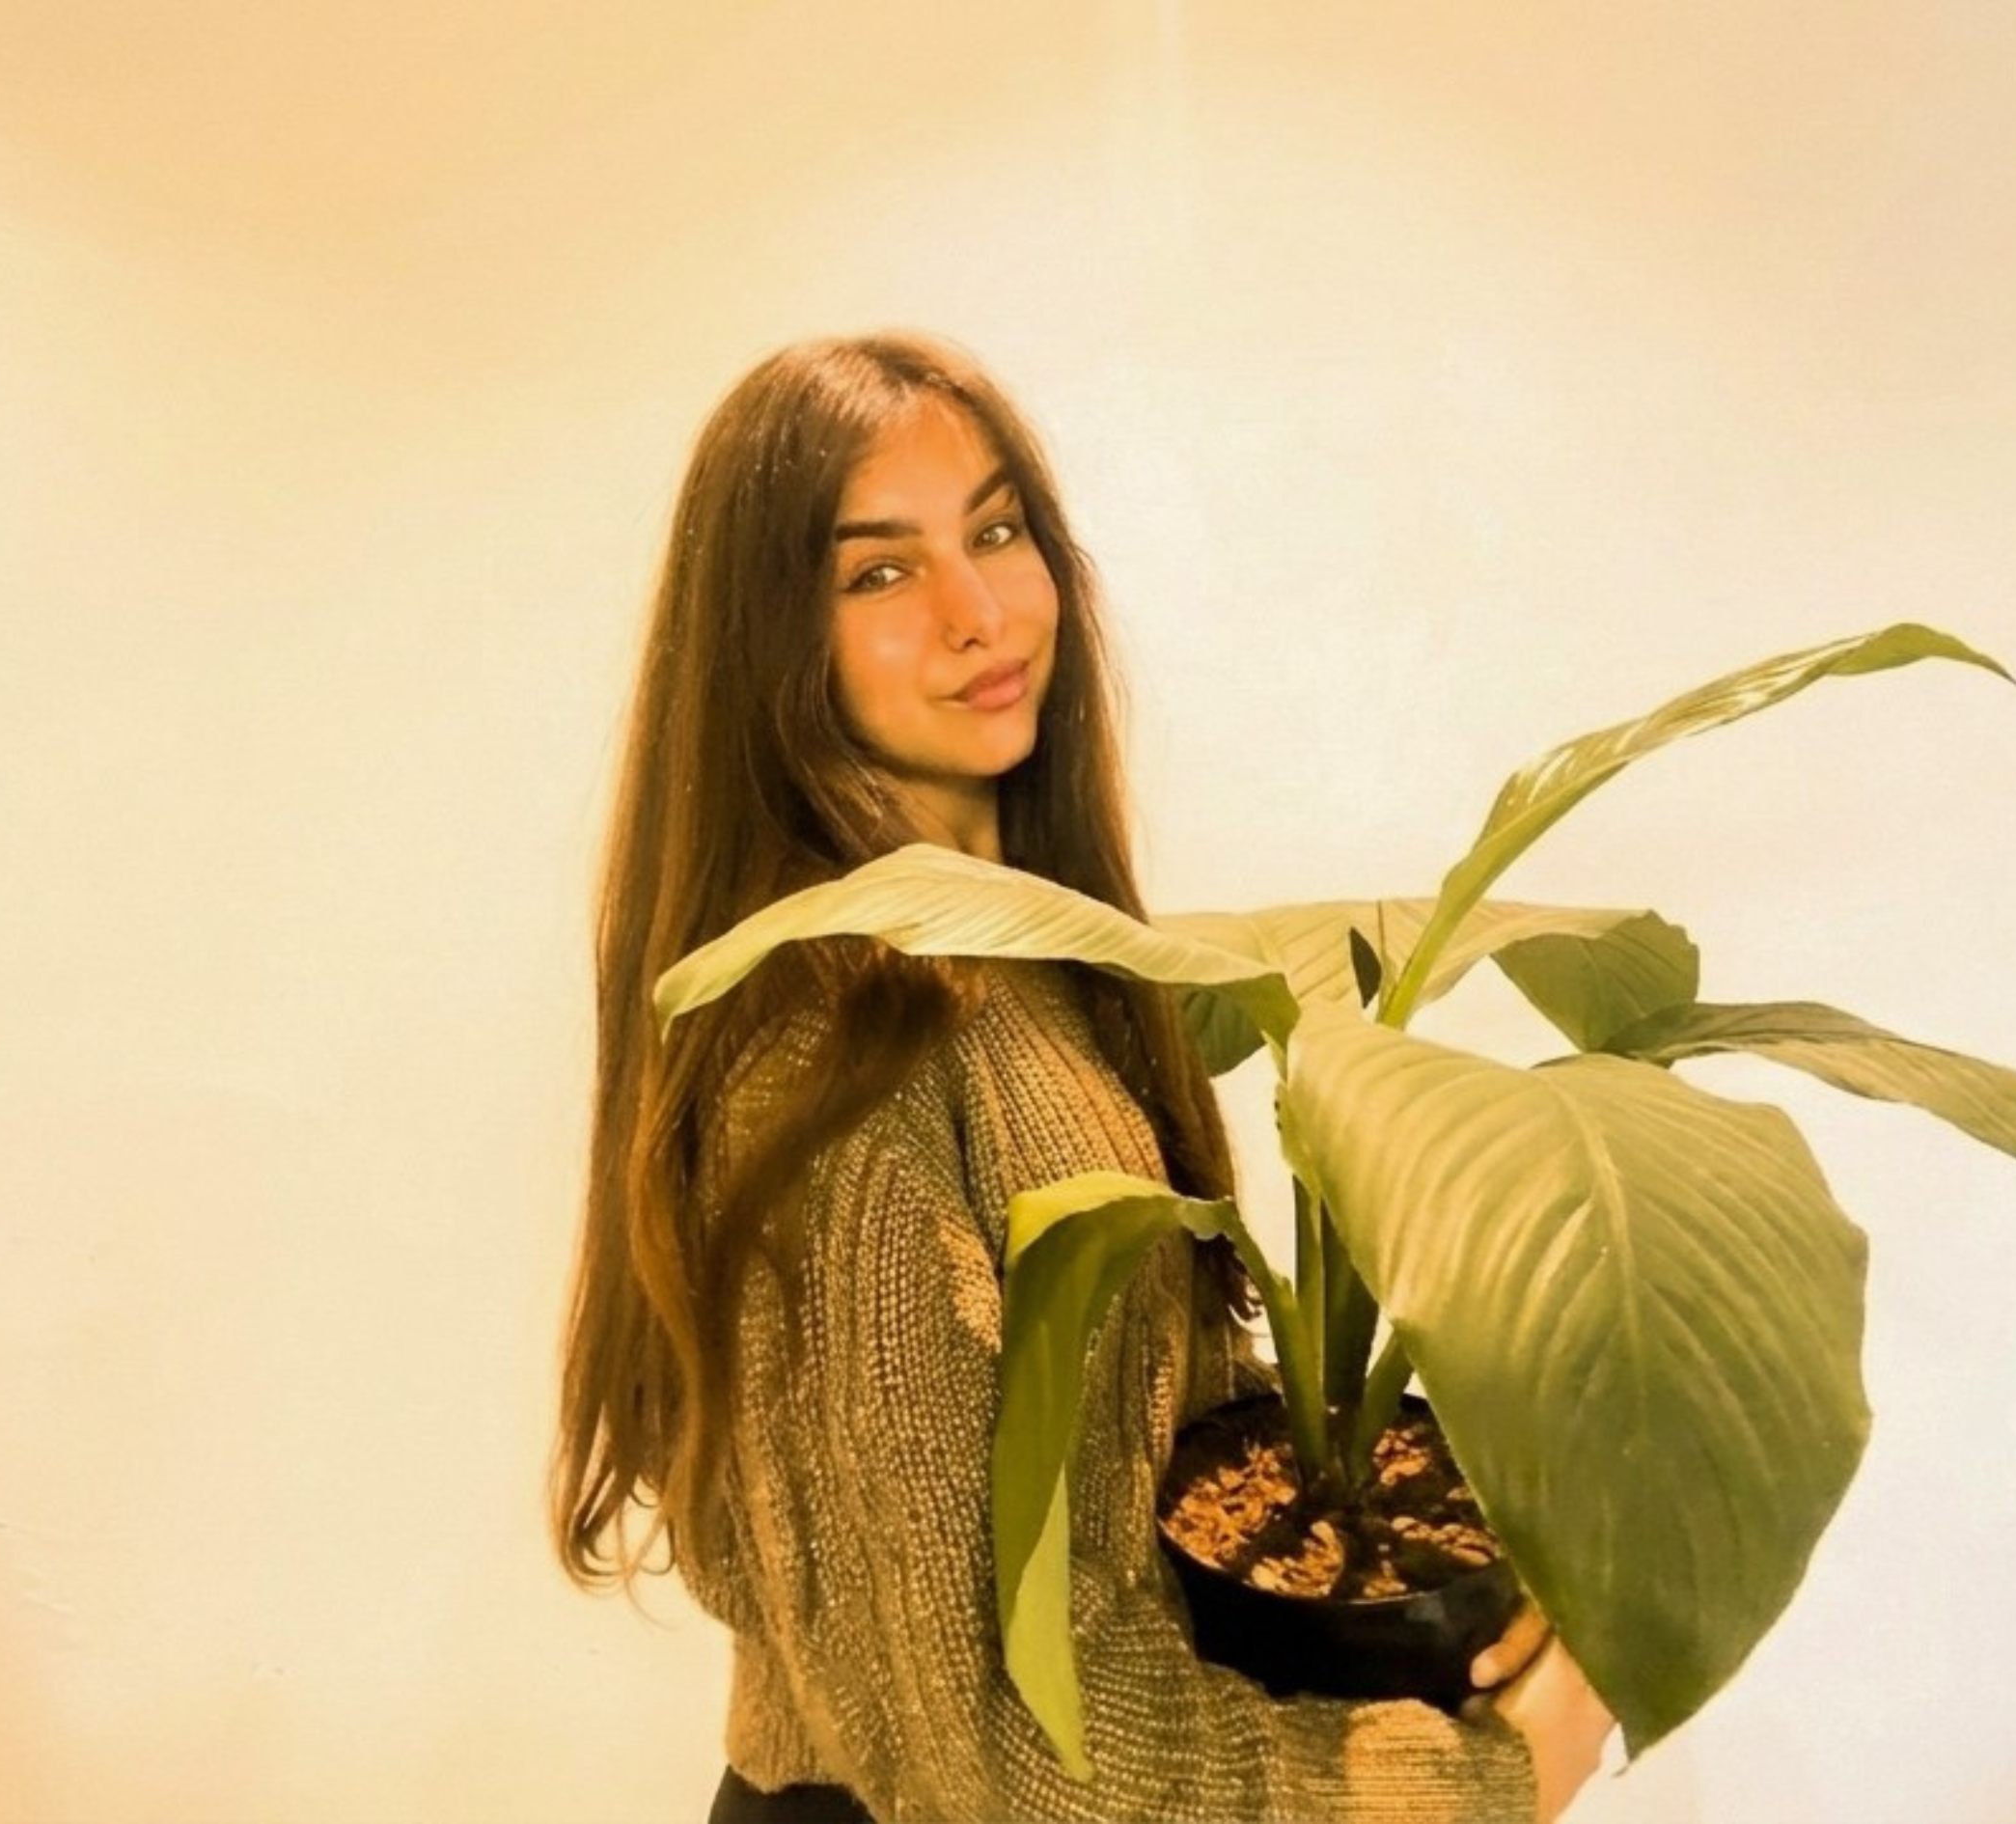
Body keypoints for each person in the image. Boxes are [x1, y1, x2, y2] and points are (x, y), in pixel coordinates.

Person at [544, 333, 1617, 1822]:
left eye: (996, 530)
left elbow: (1143, 1443)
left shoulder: (1033, 964)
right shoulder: (838, 1051)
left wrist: (1456, 1538)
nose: (980, 612)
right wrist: (1489, 1774)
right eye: (879, 572)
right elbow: (1003, 1755)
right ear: (771, 650)